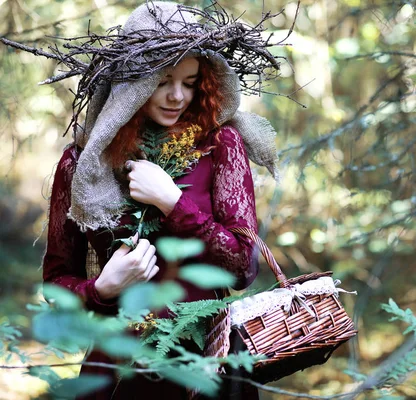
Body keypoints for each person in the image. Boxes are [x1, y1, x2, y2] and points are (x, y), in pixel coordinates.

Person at [41, 2, 279, 398]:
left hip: (207, 362)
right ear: (132, 82)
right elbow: (55, 287)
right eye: (163, 80)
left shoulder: (220, 144)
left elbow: (242, 268)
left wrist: (173, 203)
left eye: (189, 82)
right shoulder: (83, 163)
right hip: (119, 368)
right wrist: (102, 288)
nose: (177, 96)